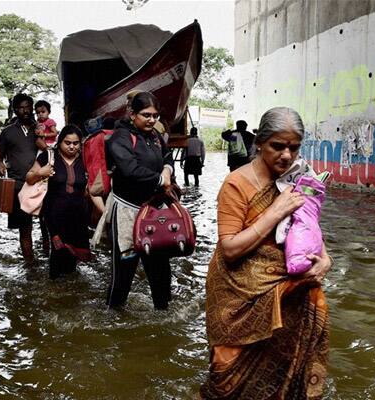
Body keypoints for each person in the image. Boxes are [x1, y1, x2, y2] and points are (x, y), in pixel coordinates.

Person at [201, 107, 332, 399]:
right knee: (226, 380)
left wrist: (325, 260)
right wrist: (275, 212)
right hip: (238, 299)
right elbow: (231, 249)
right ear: (259, 142)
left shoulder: (300, 180)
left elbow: (310, 229)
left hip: (289, 294)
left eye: (294, 147)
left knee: (282, 381)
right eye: (278, 146)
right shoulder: (237, 183)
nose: (287, 155)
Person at [106, 91, 175, 310]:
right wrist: (159, 179)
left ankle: (163, 316)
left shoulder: (154, 136)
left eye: (155, 115)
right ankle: (114, 318)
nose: (152, 120)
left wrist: (167, 169)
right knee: (123, 272)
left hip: (154, 212)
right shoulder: (121, 137)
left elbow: (167, 156)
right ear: (132, 113)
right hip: (128, 211)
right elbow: (129, 169)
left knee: (160, 271)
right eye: (146, 115)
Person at [25, 125, 90, 279]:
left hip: (78, 215)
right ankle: (54, 291)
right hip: (54, 214)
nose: (72, 146)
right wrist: (41, 172)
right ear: (60, 141)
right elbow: (29, 177)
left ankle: (70, 296)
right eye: (68, 143)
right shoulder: (48, 156)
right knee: (58, 252)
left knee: (73, 256)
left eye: (76, 143)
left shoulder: (84, 159)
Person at [0, 93, 47, 263]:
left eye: (28, 107)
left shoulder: (40, 129)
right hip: (18, 185)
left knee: (48, 223)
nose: (26, 111)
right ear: (15, 110)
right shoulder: (7, 132)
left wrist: (42, 138)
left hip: (42, 184)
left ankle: (50, 257)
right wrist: (0, 164)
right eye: (21, 108)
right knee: (25, 228)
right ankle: (30, 263)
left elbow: (50, 151)